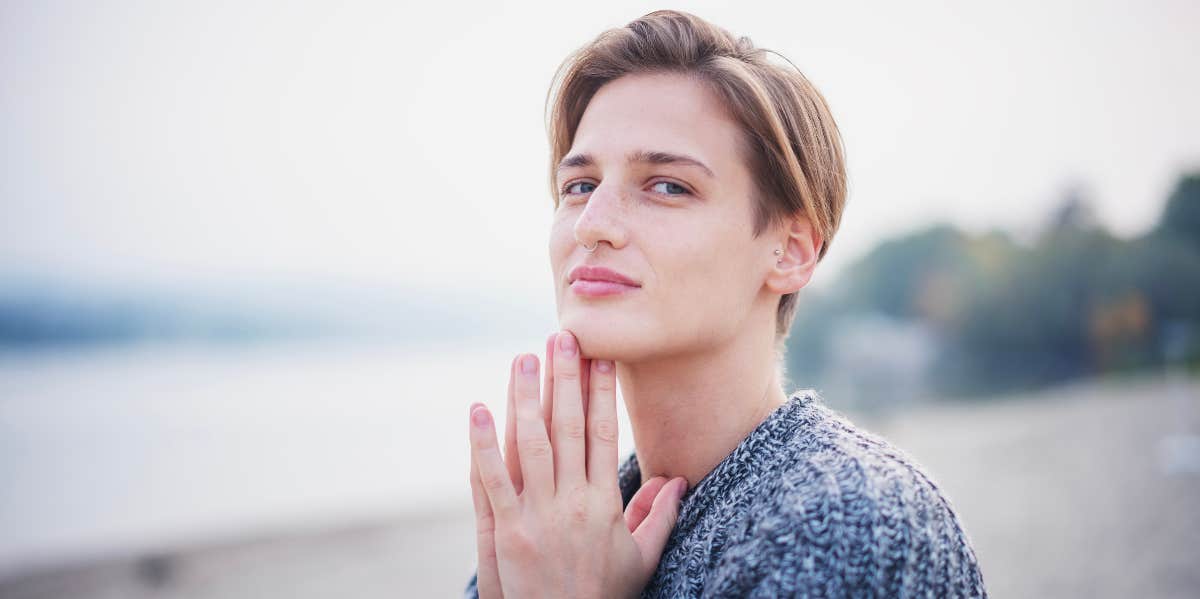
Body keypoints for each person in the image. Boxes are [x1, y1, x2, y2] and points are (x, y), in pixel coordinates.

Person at [463, 9, 987, 598]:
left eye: (667, 186)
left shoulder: (851, 517)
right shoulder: (558, 535)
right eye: (580, 186)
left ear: (789, 252)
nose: (593, 225)